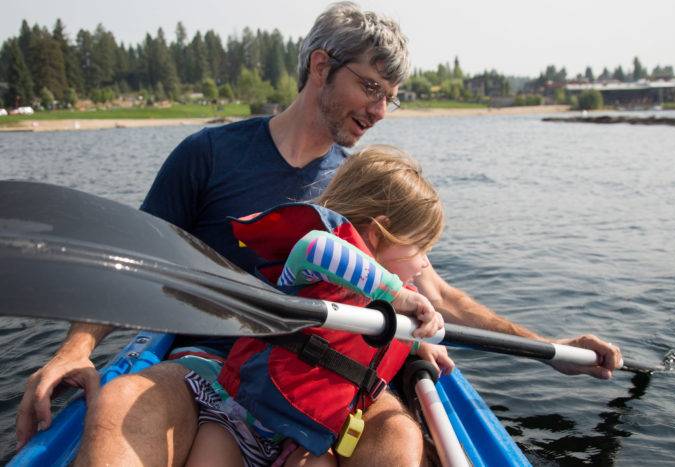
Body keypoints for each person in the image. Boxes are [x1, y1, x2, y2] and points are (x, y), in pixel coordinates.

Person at [15, 2, 622, 466]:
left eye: (393, 96)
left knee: (398, 436)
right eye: (372, 88)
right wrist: (75, 349)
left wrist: (547, 344)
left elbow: (433, 289)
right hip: (214, 359)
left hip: (327, 372)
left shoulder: (363, 185)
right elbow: (137, 257)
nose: (382, 109)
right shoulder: (208, 155)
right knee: (119, 401)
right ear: (321, 66)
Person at [186, 145, 454, 466]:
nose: (425, 264)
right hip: (238, 417)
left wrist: (415, 341)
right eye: (421, 247)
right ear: (378, 233)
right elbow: (317, 248)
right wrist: (397, 294)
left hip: (303, 438)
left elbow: (373, 339)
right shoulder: (321, 258)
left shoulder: (388, 300)